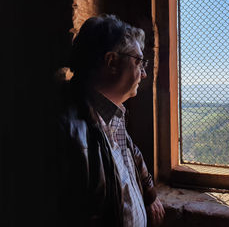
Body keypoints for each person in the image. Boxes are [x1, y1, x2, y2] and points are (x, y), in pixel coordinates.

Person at [53, 14, 165, 227]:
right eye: (139, 62)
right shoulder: (69, 132)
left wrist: (149, 193)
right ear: (112, 62)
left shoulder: (110, 114)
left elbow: (130, 151)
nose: (144, 74)